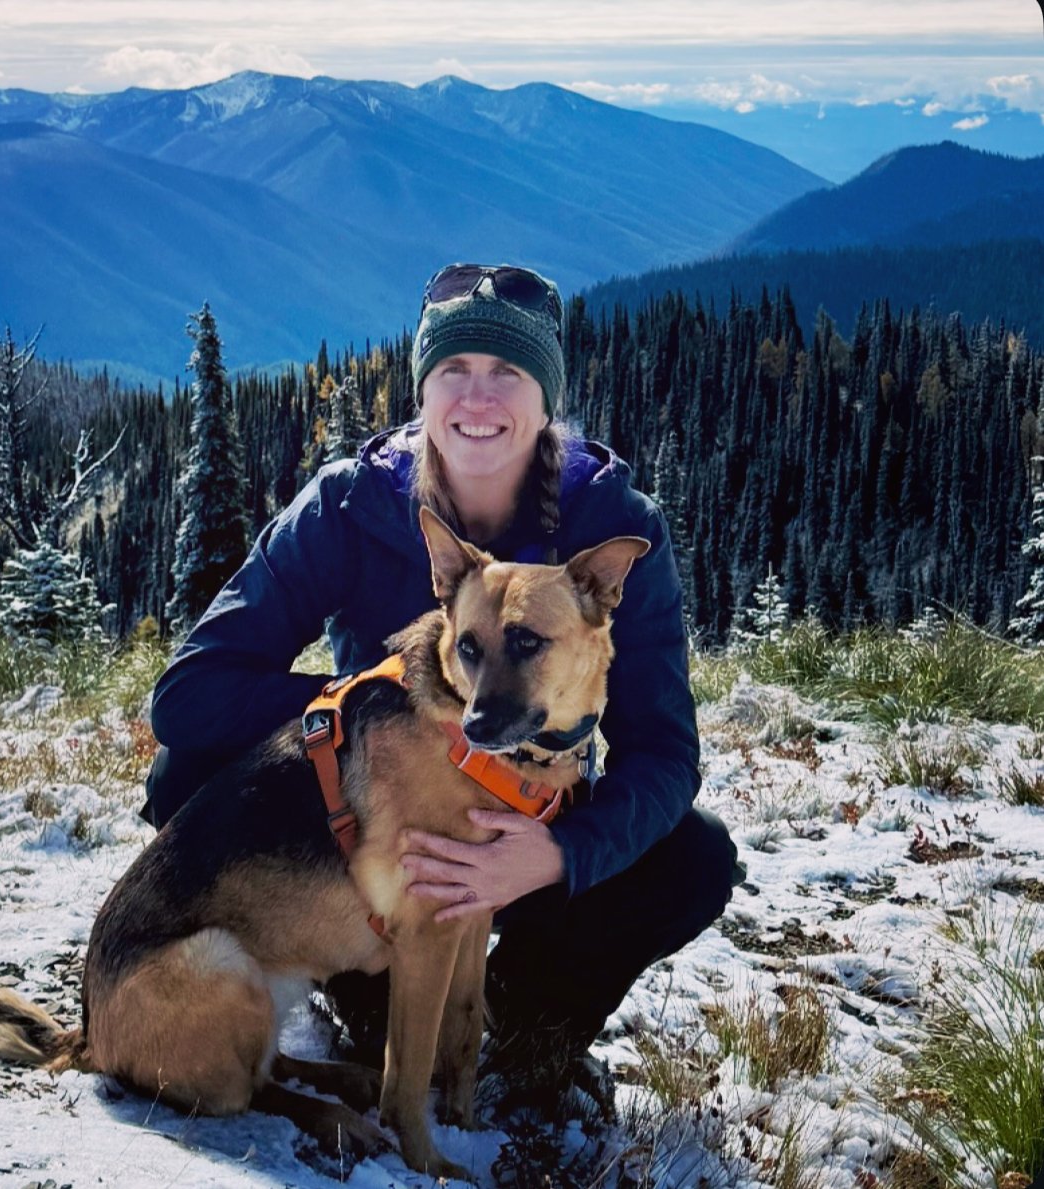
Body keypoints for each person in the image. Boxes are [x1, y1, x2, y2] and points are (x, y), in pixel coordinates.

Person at [143, 262, 740, 1117]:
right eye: (453, 371)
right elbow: (189, 694)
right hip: (381, 834)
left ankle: (525, 1017)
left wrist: (555, 854)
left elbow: (665, 754)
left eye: (508, 373)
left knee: (692, 856)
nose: (478, 399)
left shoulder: (613, 525)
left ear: (547, 401)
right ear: (422, 389)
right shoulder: (354, 505)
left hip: (529, 817)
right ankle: (361, 980)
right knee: (186, 773)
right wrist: (365, 705)